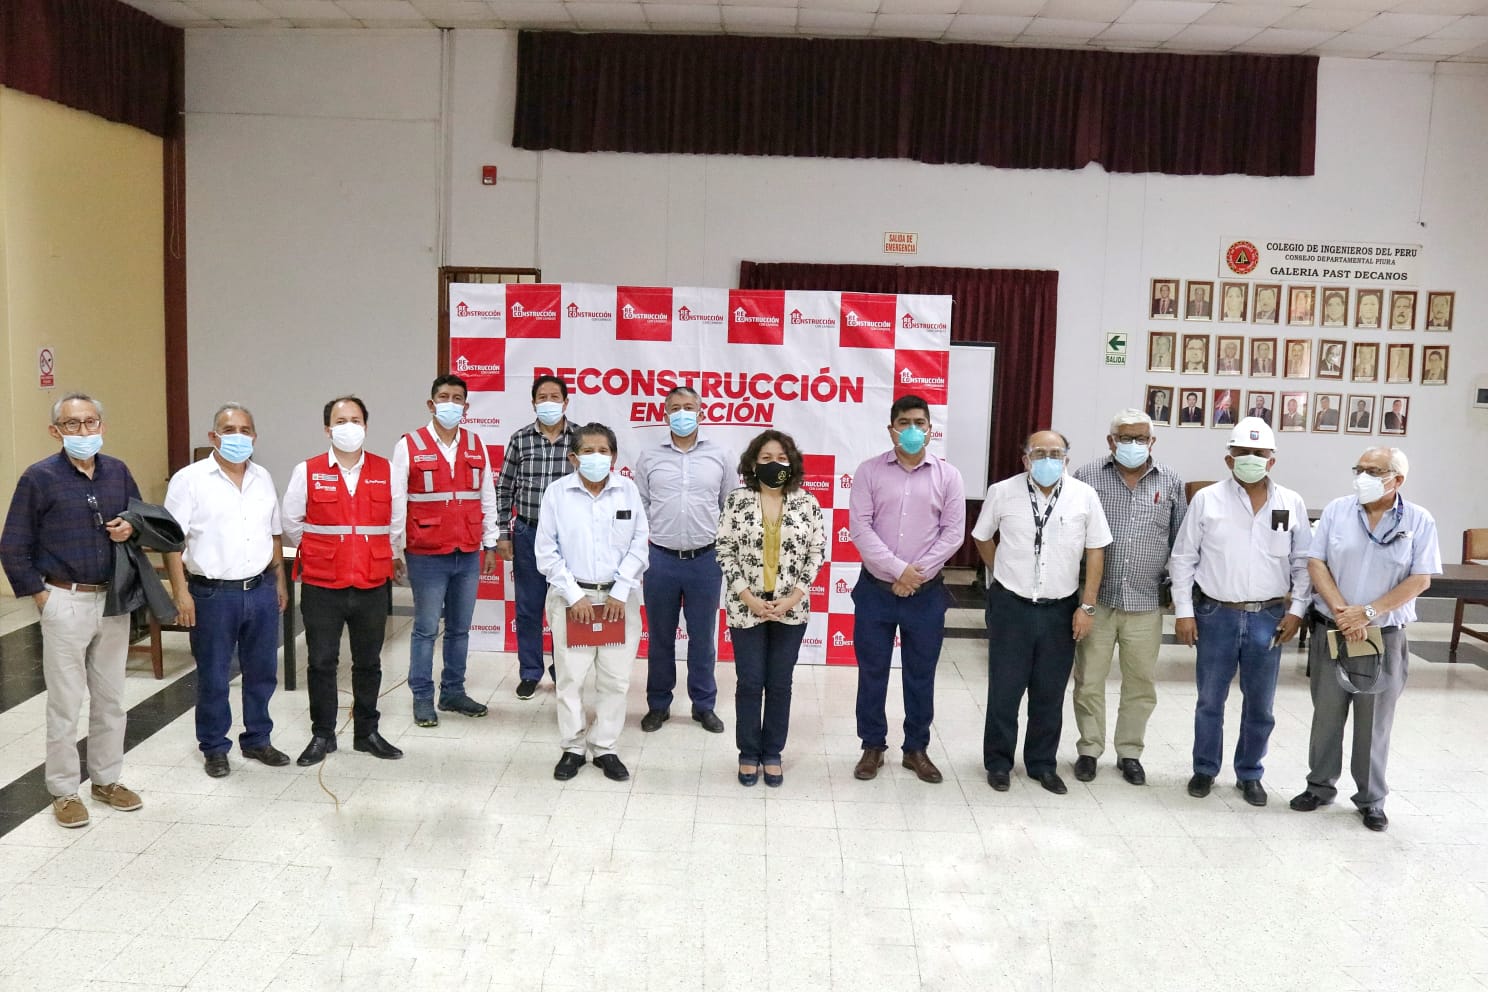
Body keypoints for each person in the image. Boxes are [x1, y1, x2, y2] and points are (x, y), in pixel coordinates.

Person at [0, 394, 144, 828]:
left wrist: (131, 526)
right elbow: (13, 545)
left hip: (112, 600)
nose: (83, 431)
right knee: (65, 703)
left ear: (102, 425)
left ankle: (107, 780)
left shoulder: (118, 471)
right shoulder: (39, 478)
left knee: (111, 699)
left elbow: (142, 519)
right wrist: (42, 597)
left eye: (90, 422)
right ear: (55, 431)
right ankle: (64, 791)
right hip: (65, 599)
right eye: (72, 424)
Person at [1291, 448, 1439, 832]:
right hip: (1334, 627)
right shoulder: (1337, 511)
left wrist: (1368, 612)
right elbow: (1316, 562)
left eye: (1374, 471)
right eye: (1359, 469)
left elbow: (1420, 578)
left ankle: (1371, 799)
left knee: (1374, 722)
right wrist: (1345, 612)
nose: (1363, 477)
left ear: (1397, 479)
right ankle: (1319, 786)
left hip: (1382, 634)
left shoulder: (1419, 520)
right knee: (1326, 713)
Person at [1169, 417, 1311, 806]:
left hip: (1269, 616)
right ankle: (1204, 769)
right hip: (1217, 613)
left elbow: (1303, 563)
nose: (1251, 458)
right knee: (1209, 700)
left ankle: (1250, 773)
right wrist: (1184, 612)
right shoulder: (1206, 500)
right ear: (1229, 459)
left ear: (1272, 460)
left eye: (1259, 453)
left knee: (1260, 705)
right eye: (1243, 452)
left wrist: (1298, 610)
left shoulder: (1291, 503)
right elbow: (1183, 558)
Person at [972, 431, 1111, 794]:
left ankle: (1042, 764)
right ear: (1025, 459)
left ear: (1066, 459)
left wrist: (1087, 606)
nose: (1048, 459)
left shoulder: (1085, 495)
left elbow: (1096, 550)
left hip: (1060, 609)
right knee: (1005, 690)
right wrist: (1001, 571)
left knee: (1049, 693)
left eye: (1056, 453)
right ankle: (998, 763)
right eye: (1040, 453)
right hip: (1011, 605)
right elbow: (982, 536)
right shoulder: (1002, 492)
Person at [163, 403, 289, 778]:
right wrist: (180, 592)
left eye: (245, 430)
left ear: (255, 436)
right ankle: (215, 747)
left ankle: (258, 739)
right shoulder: (189, 480)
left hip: (260, 588)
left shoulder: (263, 478)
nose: (238, 436)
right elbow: (171, 541)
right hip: (212, 594)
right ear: (213, 436)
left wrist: (280, 581)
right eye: (229, 430)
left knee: (262, 672)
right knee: (214, 675)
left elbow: (274, 534)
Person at [849, 396, 966, 784]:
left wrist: (916, 575)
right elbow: (861, 530)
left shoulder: (949, 476)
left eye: (919, 422)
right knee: (872, 672)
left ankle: (916, 748)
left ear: (930, 430)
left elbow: (952, 534)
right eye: (904, 423)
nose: (912, 429)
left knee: (921, 674)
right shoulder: (868, 472)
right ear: (891, 430)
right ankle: (872, 746)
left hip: (926, 594)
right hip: (875, 591)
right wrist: (900, 570)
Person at [283, 396, 403, 767]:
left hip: (371, 582)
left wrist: (374, 553)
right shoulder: (307, 470)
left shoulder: (386, 470)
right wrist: (324, 551)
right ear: (327, 429)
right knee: (321, 662)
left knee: (369, 662)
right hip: (323, 584)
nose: (348, 426)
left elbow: (396, 523)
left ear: (365, 426)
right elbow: (291, 522)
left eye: (355, 420)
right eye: (340, 420)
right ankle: (323, 734)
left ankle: (367, 733)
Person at [1071, 411, 1186, 785]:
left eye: (1141, 438)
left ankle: (1130, 752)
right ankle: (1089, 749)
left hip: (1146, 601)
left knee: (1140, 683)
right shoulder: (1087, 476)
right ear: (1111, 441)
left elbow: (1180, 542)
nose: (1133, 445)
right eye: (1125, 438)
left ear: (1152, 442)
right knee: (1089, 680)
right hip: (1097, 599)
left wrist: (1178, 593)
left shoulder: (1170, 481)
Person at [536, 423, 649, 783]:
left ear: (614, 457)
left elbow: (640, 544)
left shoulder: (627, 491)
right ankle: (572, 747)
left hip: (619, 600)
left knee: (615, 679)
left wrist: (620, 590)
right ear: (573, 457)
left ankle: (605, 747)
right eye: (588, 451)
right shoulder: (557, 494)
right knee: (571, 678)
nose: (596, 457)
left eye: (603, 451)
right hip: (573, 600)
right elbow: (546, 551)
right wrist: (575, 595)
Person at [716, 430, 825, 788]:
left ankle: (773, 751)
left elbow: (816, 553)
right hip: (746, 606)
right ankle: (749, 752)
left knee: (780, 683)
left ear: (791, 463)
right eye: (765, 458)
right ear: (752, 464)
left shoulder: (807, 502)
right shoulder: (737, 501)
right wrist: (747, 596)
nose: (773, 463)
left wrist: (793, 597)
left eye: (780, 457)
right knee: (750, 682)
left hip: (790, 610)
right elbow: (724, 550)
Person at [391, 375, 499, 728]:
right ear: (431, 404)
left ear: (466, 406)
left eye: (457, 398)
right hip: (426, 553)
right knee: (425, 629)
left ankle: (453, 691)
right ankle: (422, 697)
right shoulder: (409, 445)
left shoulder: (476, 444)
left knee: (459, 629)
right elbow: (397, 501)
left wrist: (490, 542)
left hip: (466, 551)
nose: (450, 403)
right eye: (443, 397)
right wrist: (395, 549)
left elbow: (486, 496)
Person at [635, 386, 733, 736]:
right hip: (660, 559)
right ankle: (658, 704)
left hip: (705, 560)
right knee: (660, 637)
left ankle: (703, 705)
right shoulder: (649, 457)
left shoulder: (720, 456)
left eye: (688, 407)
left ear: (701, 413)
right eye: (675, 407)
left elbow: (728, 505)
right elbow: (641, 505)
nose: (682, 413)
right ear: (665, 415)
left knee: (703, 638)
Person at [495, 375, 576, 699]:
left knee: (567, 605)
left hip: (568, 537)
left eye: (555, 397)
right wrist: (504, 534)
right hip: (528, 532)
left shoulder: (580, 439)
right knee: (528, 607)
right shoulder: (520, 439)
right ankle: (530, 672)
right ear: (533, 403)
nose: (549, 402)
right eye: (542, 397)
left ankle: (563, 672)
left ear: (566, 402)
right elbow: (504, 488)